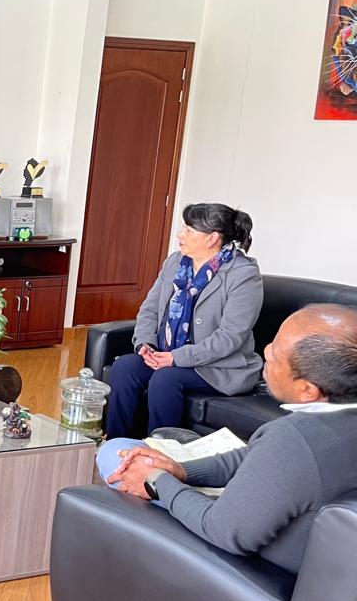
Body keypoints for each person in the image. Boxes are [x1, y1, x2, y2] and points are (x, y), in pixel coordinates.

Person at [97, 304, 357, 574]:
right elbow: (257, 455)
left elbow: (223, 532)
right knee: (139, 451)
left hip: (241, 566)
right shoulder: (330, 427)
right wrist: (181, 471)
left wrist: (156, 480)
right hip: (306, 553)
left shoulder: (294, 441)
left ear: (308, 390)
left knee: (115, 453)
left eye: (277, 352)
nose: (266, 351)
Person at [105, 203, 263, 440]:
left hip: (217, 366)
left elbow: (230, 337)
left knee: (166, 379)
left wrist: (176, 358)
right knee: (125, 368)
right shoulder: (175, 262)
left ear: (212, 238)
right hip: (167, 353)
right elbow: (150, 309)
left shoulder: (243, 275)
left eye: (189, 230)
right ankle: (117, 445)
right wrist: (146, 344)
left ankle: (161, 452)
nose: (180, 235)